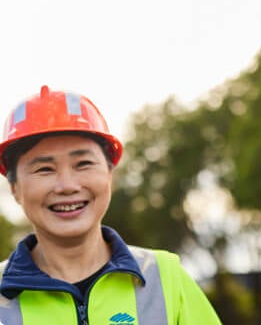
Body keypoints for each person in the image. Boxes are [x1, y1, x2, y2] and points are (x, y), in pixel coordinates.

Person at [0, 85, 222, 325]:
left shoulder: (165, 278)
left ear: (109, 175)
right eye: (44, 169)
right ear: (15, 187)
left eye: (83, 163)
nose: (67, 185)